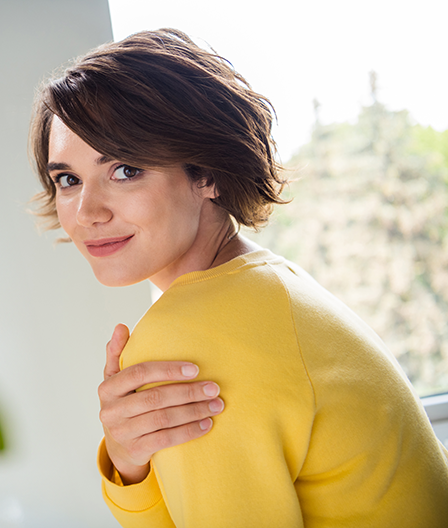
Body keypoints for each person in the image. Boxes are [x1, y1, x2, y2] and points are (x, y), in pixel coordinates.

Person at [29, 28, 448, 527]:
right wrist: (129, 465)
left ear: (206, 173)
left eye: (125, 170)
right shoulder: (266, 287)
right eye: (67, 180)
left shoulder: (192, 336)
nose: (86, 212)